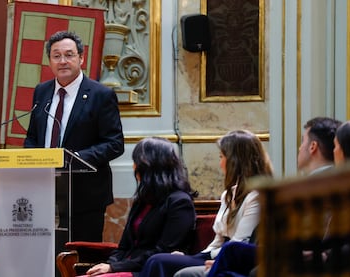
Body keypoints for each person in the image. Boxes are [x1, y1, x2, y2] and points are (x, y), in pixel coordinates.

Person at [204, 116, 342, 277]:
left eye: (303, 141)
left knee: (231, 250)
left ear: (313, 147)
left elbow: (306, 243)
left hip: (290, 262)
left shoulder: (319, 188)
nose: (299, 148)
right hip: (277, 256)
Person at [24, 30, 124, 242]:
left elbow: (114, 143)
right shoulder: (41, 92)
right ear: (49, 61)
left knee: (81, 258)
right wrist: (32, 159)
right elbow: (32, 137)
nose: (63, 61)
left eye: (69, 55)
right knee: (46, 256)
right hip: (44, 191)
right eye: (56, 56)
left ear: (81, 57)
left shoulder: (101, 95)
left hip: (85, 195)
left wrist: (75, 158)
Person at [139, 130, 274, 277]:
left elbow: (239, 242)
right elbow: (217, 242)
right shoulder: (229, 194)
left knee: (159, 261)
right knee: (157, 260)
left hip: (230, 260)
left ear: (236, 161)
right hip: (214, 255)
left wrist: (206, 259)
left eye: (222, 157)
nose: (220, 163)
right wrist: (193, 257)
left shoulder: (256, 196)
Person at [79, 137, 197, 277]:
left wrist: (114, 268)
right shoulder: (144, 200)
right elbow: (123, 247)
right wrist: (109, 265)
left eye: (136, 162)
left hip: (150, 270)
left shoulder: (179, 202)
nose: (133, 167)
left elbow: (162, 252)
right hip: (127, 267)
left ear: (149, 165)